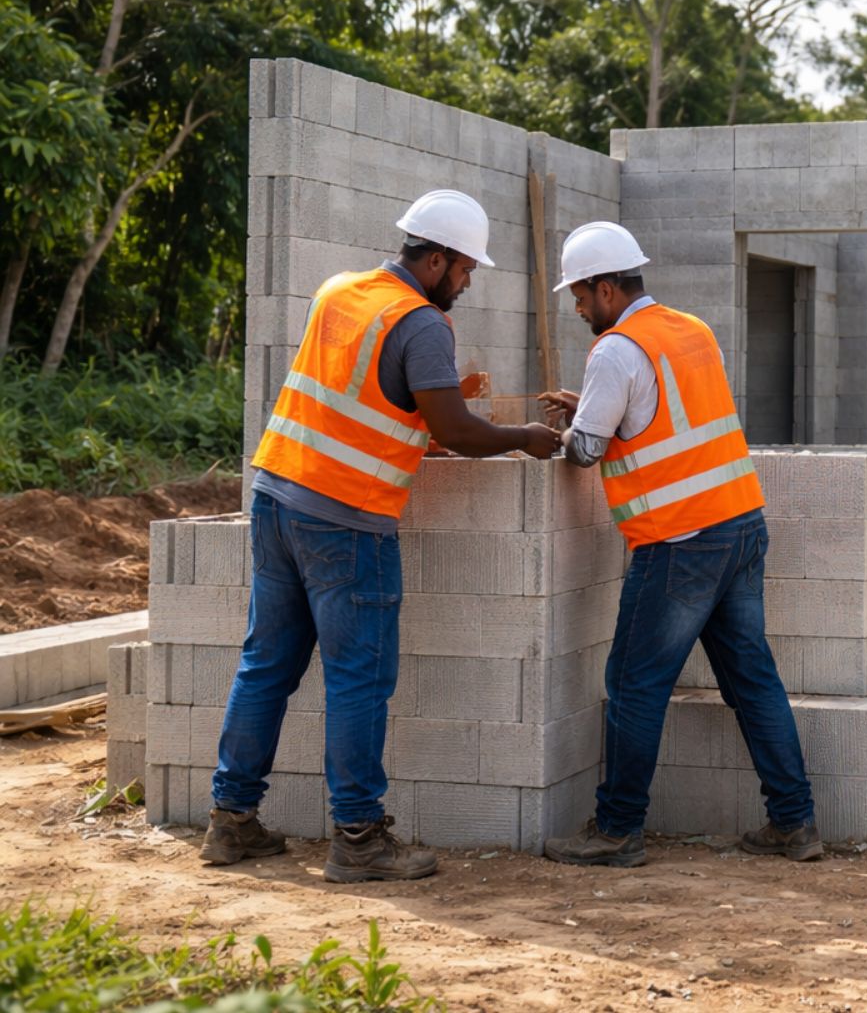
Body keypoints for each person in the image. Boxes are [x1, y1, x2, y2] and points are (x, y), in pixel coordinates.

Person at [203, 189, 562, 883]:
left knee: (266, 666)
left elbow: (364, 398)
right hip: (346, 521)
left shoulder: (341, 291)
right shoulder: (422, 322)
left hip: (277, 496)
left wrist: (443, 397)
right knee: (358, 681)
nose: (467, 281)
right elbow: (454, 430)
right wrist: (523, 436)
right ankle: (360, 839)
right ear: (434, 259)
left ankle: (231, 822)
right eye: (464, 269)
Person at [535, 221, 819, 867]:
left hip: (678, 541)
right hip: (739, 523)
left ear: (606, 288)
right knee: (752, 679)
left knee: (634, 684)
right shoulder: (690, 329)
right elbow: (666, 416)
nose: (578, 308)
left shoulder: (614, 349)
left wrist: (561, 431)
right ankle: (793, 822)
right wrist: (598, 408)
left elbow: (585, 452)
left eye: (579, 296)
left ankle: (616, 830)